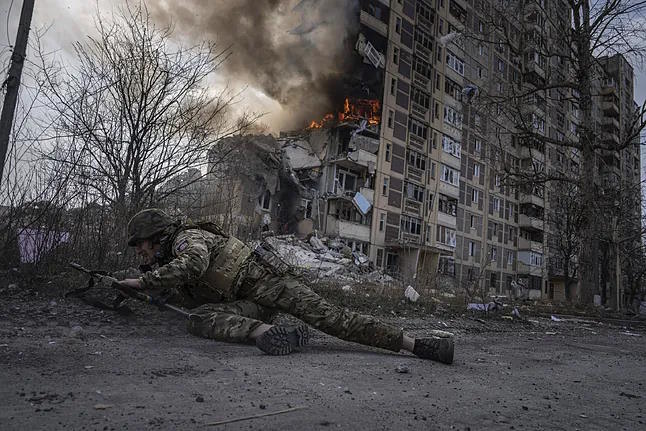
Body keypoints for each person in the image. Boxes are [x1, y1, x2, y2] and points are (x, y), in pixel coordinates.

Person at [117, 209, 454, 364]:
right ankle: (268, 333)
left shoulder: (186, 239)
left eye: (141, 243)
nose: (140, 251)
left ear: (158, 235)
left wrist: (143, 281)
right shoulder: (167, 258)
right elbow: (189, 292)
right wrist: (146, 289)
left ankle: (418, 345)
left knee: (335, 320)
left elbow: (194, 263)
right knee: (198, 318)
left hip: (272, 285)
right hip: (250, 305)